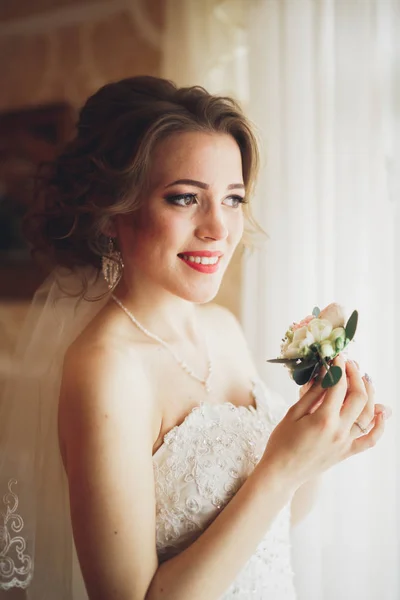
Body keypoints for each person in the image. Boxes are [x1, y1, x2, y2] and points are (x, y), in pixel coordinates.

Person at [0, 75, 390, 600]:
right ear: (113, 211)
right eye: (185, 199)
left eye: (232, 199)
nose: (218, 228)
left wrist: (318, 441)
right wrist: (279, 467)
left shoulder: (222, 327)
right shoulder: (106, 368)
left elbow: (276, 524)